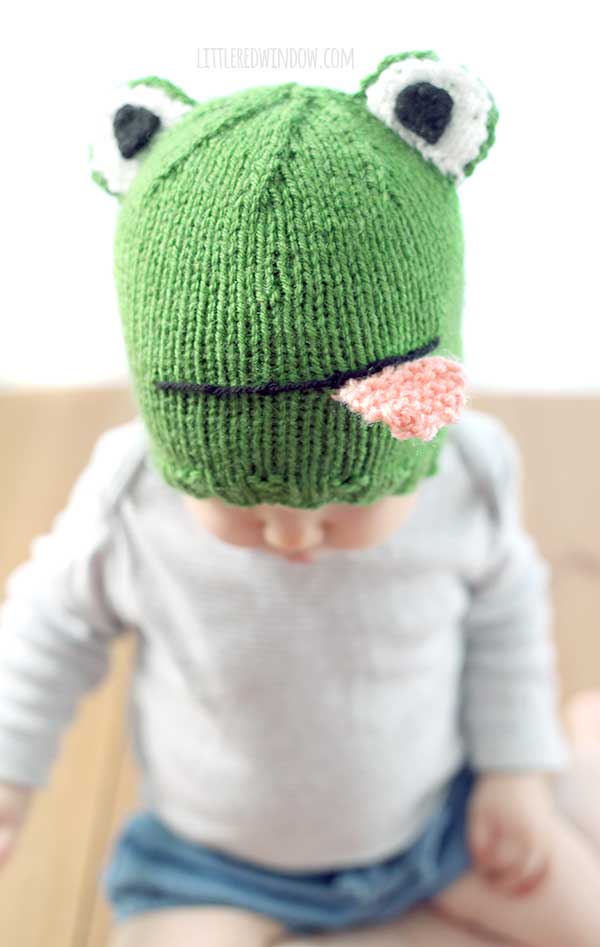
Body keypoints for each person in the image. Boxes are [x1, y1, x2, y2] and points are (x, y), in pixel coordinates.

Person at [1, 50, 600, 947]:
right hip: (213, 859)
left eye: (342, 503)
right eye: (239, 506)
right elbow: (46, 630)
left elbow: (505, 610)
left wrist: (513, 770)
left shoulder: (464, 470)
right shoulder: (134, 500)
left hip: (435, 825)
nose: (291, 536)